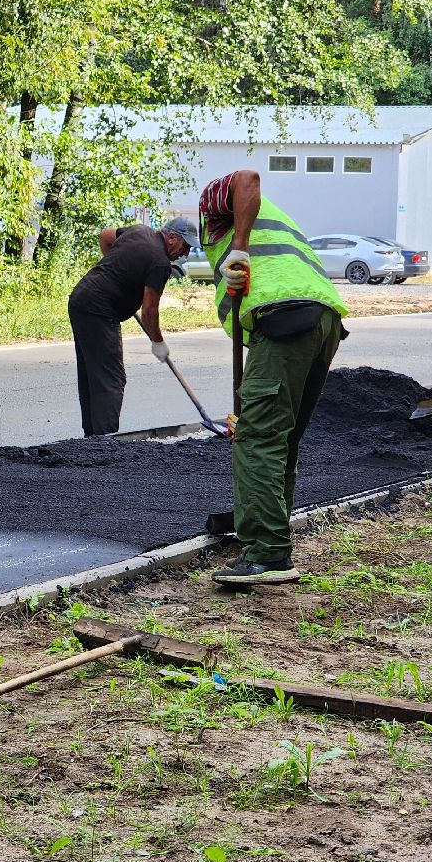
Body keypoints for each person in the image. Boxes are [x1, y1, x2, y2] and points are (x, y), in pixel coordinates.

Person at [198, 170, 349, 585]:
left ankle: (266, 554)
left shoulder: (217, 213)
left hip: (284, 318)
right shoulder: (267, 230)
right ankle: (269, 532)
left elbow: (246, 177)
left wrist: (239, 250)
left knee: (259, 439)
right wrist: (250, 404)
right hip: (319, 321)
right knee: (279, 437)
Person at [68, 217, 199, 435]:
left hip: (81, 299)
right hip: (99, 309)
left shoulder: (139, 231)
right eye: (185, 246)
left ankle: (91, 440)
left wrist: (118, 271)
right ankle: (105, 442)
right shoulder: (160, 263)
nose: (185, 254)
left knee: (92, 374)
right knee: (111, 379)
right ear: (172, 238)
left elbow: (105, 235)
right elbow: (149, 311)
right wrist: (158, 342)